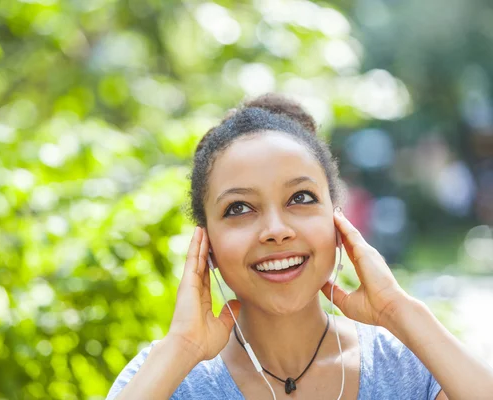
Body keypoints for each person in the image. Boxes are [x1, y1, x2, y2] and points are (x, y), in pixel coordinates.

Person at [106, 93, 493, 399]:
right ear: (205, 243)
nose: (276, 230)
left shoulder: (410, 369)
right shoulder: (165, 380)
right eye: (239, 207)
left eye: (301, 198)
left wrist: (400, 311)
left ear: (338, 220)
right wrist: (182, 349)